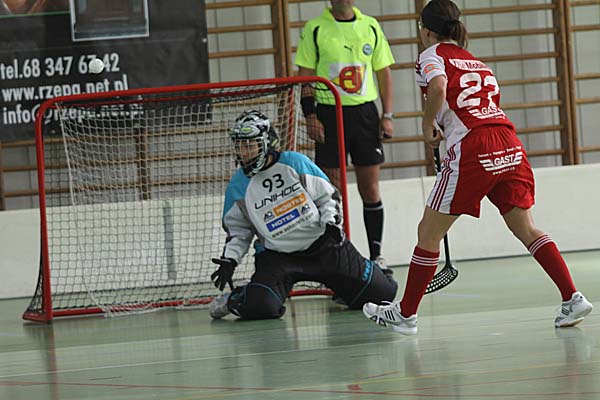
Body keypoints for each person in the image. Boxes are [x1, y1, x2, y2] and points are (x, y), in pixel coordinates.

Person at [363, 0, 593, 335]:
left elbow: (439, 88)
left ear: (426, 31)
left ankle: (406, 314)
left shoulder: (430, 55)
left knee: (428, 233)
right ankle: (572, 297)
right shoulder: (476, 62)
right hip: (508, 142)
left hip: (475, 146)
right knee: (526, 228)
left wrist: (428, 126)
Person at [209, 109, 398, 320]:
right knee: (261, 307)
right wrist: (230, 259)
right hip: (277, 258)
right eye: (239, 146)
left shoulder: (295, 162)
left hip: (324, 246)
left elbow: (327, 197)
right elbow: (239, 232)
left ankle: (351, 285)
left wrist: (331, 224)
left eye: (249, 145)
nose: (243, 153)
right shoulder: (237, 187)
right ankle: (237, 297)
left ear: (267, 142)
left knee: (382, 294)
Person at [295, 0, 394, 269]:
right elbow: (305, 75)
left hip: (364, 115)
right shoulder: (316, 28)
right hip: (329, 114)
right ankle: (339, 257)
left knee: (370, 188)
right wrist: (310, 115)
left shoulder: (370, 26)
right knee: (332, 192)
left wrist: (387, 115)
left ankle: (376, 255)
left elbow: (383, 71)